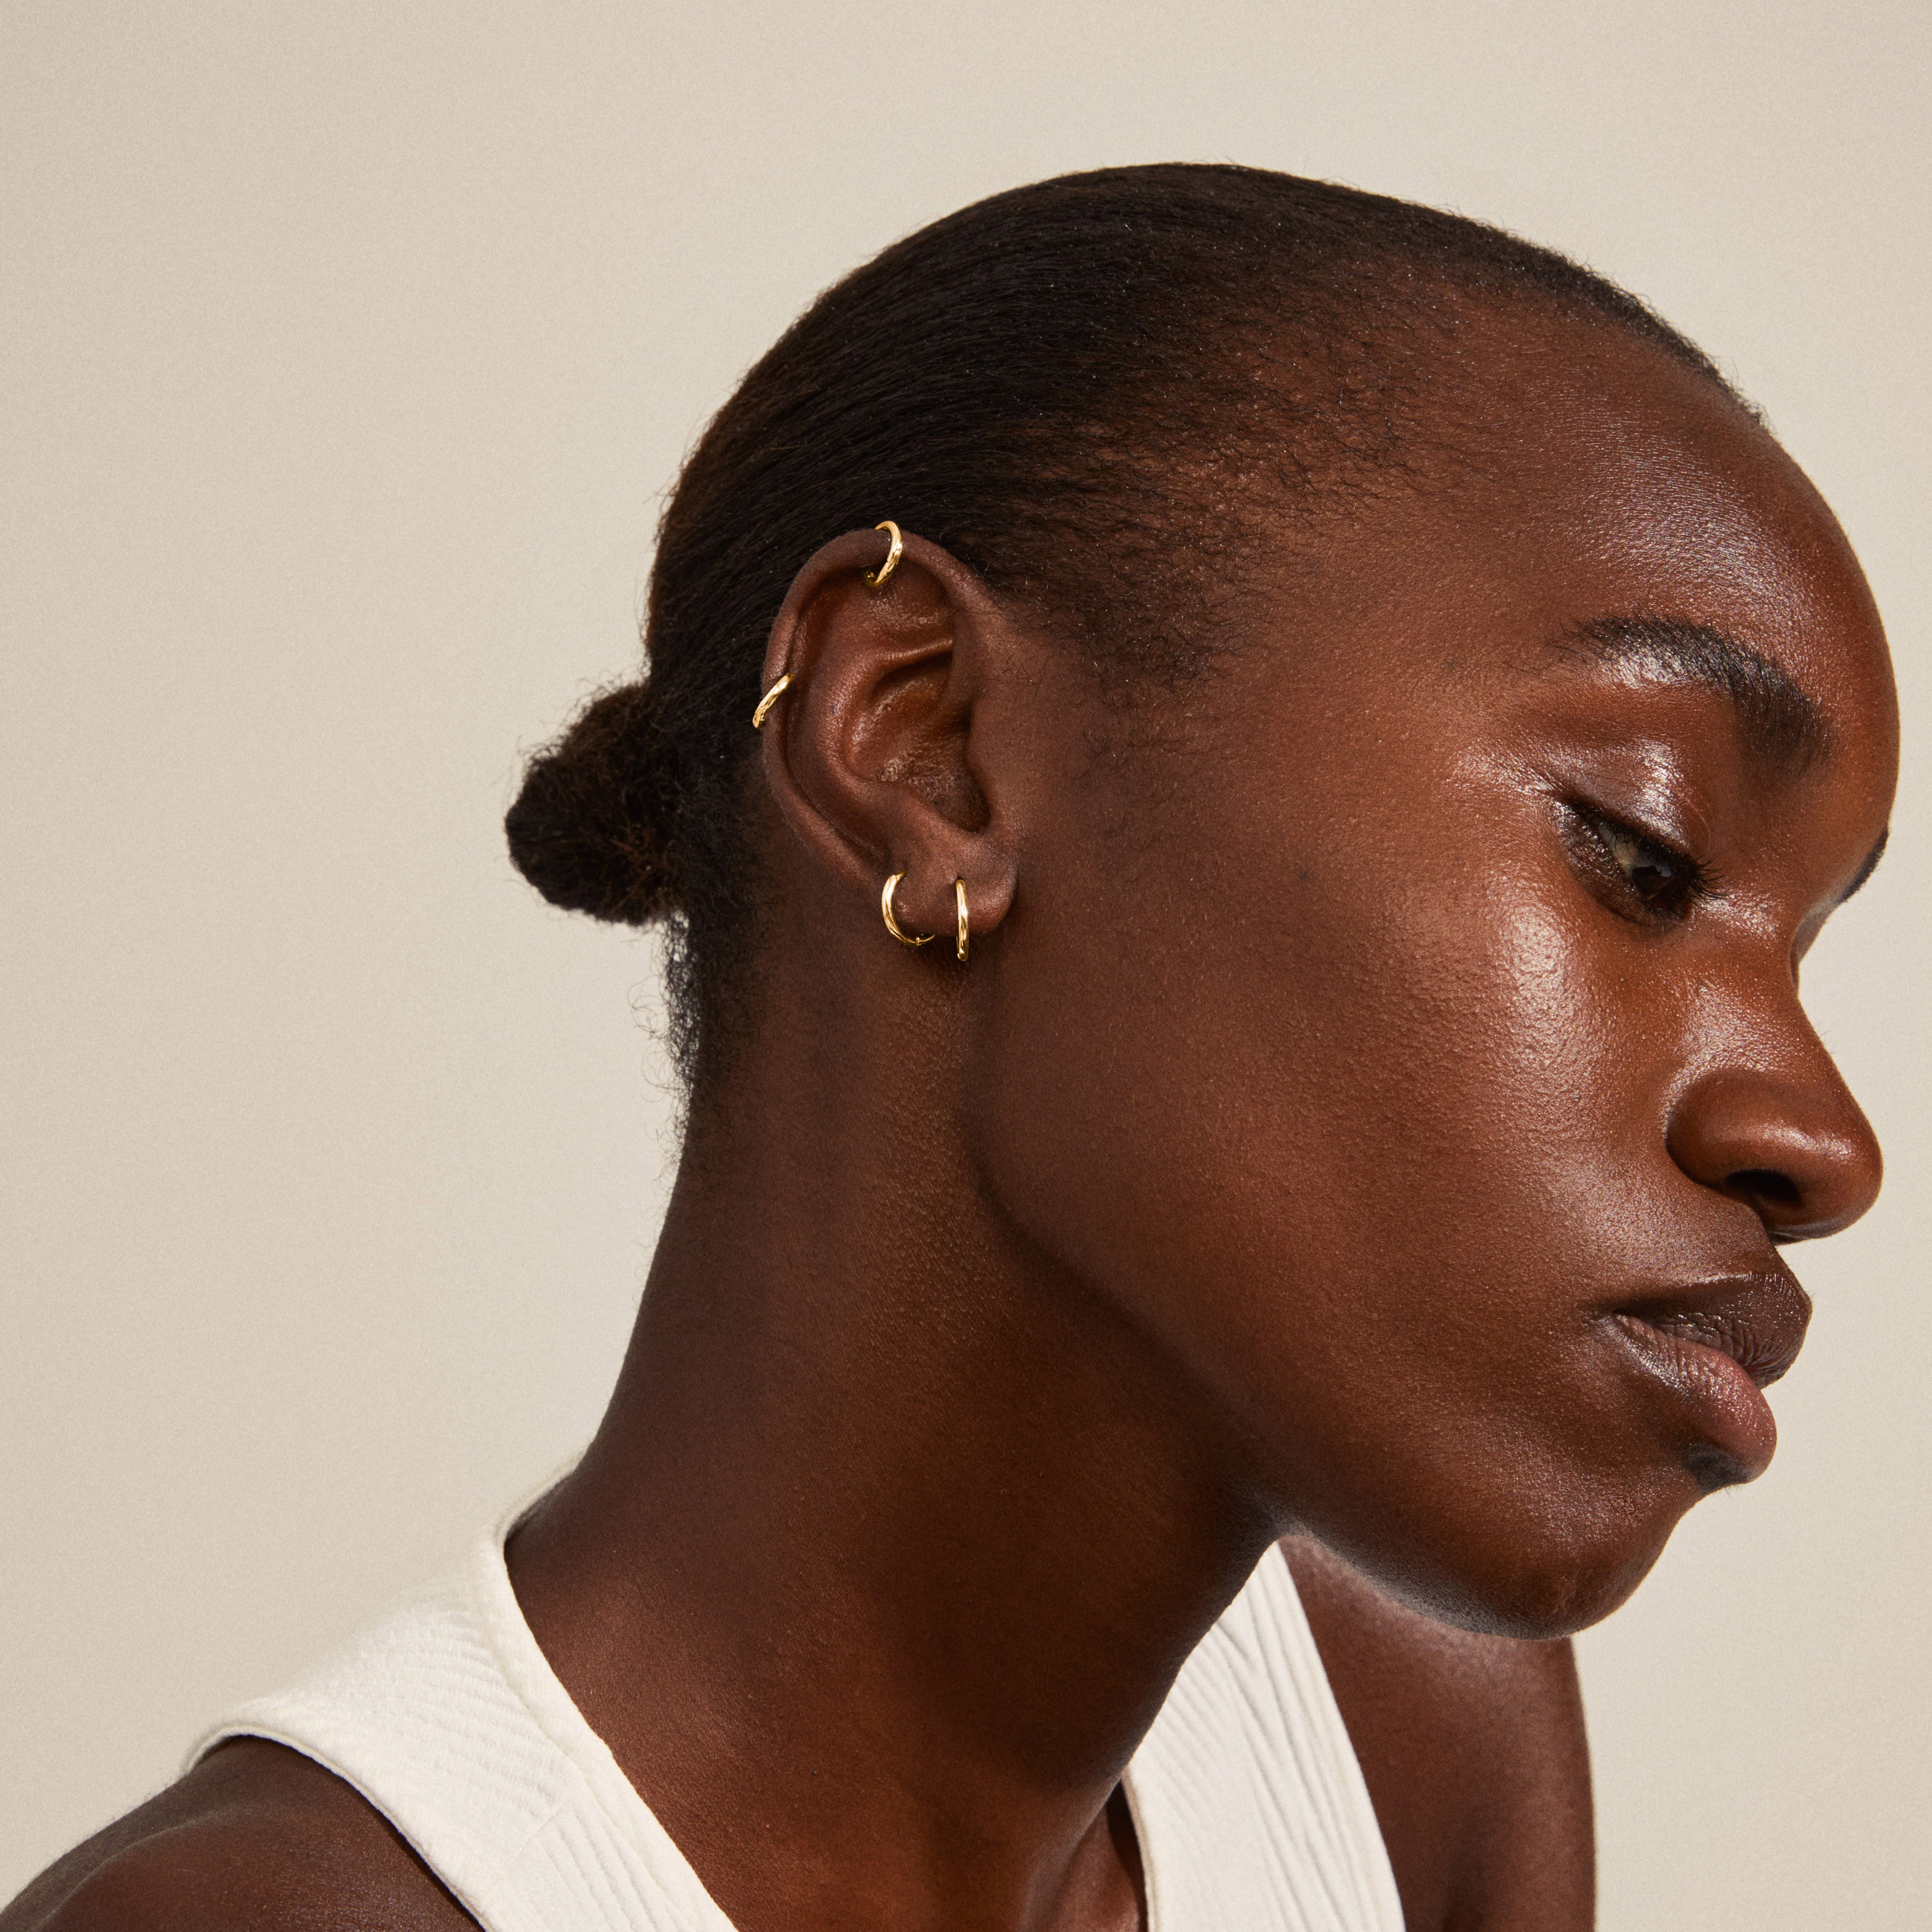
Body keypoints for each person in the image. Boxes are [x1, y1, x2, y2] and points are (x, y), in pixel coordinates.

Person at [5, 162, 1895, 1932]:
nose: (1817, 1134)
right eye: (1638, 854)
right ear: (925, 745)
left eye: (1801, 945)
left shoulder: (1408, 1739)